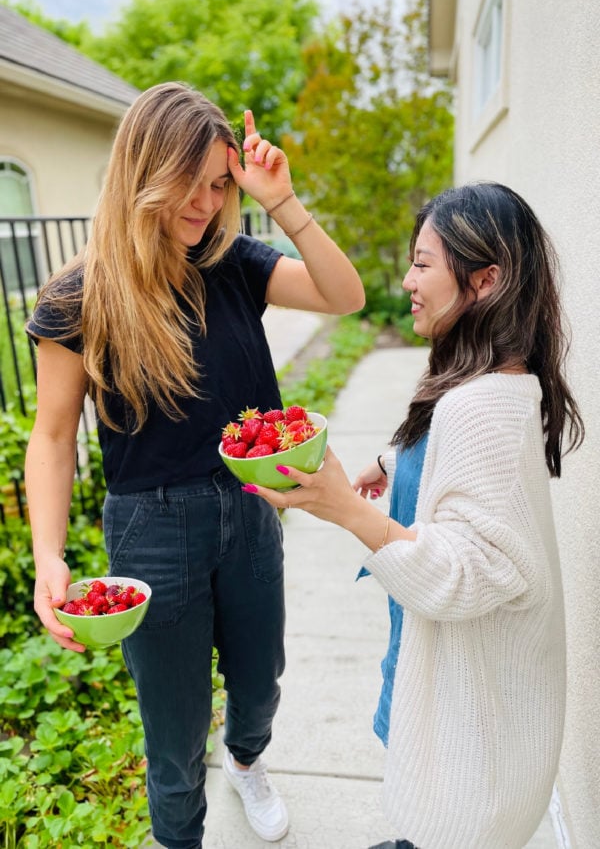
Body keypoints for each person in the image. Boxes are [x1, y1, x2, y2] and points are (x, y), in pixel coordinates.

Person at [24, 80, 365, 849]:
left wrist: (280, 200)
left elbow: (346, 296)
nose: (208, 203)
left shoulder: (234, 263)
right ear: (145, 167)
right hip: (150, 525)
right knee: (173, 735)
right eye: (193, 181)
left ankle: (247, 763)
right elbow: (49, 438)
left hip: (247, 507)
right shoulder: (78, 299)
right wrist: (49, 556)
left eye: (220, 183)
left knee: (259, 684)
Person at [242, 182, 585, 849]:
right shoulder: (500, 381)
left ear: (484, 281)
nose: (407, 280)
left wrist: (343, 508)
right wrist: (398, 462)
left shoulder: (475, 408)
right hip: (483, 713)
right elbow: (473, 487)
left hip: (474, 738)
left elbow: (466, 574)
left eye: (423, 264)